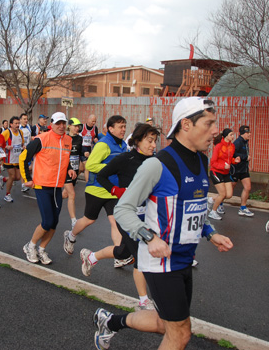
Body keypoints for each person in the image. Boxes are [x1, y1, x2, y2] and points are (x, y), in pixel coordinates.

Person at [93, 97, 233, 350]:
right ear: (187, 124)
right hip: (160, 262)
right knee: (180, 334)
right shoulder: (157, 165)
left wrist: (210, 233)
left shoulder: (201, 160)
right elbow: (123, 209)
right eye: (209, 123)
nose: (216, 130)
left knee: (165, 324)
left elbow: (193, 207)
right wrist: (149, 237)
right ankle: (110, 322)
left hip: (183, 258)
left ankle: (110, 322)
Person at [81, 123, 160, 310]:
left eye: (155, 141)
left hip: (146, 216)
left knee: (124, 252)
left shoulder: (156, 161)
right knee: (141, 256)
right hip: (126, 215)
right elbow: (101, 176)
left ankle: (91, 257)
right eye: (149, 141)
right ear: (138, 141)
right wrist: (116, 190)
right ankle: (143, 301)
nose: (153, 145)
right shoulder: (126, 158)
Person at [63, 115, 128, 265]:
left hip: (113, 190)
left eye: (124, 126)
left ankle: (119, 256)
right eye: (120, 127)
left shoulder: (123, 145)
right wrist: (112, 168)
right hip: (97, 189)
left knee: (115, 222)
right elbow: (90, 165)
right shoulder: (103, 144)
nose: (123, 129)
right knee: (89, 219)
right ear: (110, 129)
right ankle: (71, 236)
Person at [20, 112, 76, 265]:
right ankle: (30, 246)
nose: (61, 126)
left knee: (54, 222)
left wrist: (69, 168)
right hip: (42, 185)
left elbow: (64, 158)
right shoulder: (41, 139)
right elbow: (23, 157)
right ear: (51, 124)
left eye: (63, 123)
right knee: (47, 221)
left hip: (57, 187)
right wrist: (27, 179)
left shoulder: (68, 140)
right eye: (58, 123)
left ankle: (42, 249)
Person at [207, 128, 240, 220]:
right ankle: (213, 212)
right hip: (216, 172)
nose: (233, 136)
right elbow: (213, 162)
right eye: (231, 135)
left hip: (226, 173)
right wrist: (223, 166)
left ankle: (211, 199)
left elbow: (229, 160)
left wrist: (235, 161)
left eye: (233, 134)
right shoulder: (219, 146)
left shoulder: (232, 146)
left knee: (228, 195)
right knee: (222, 194)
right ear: (226, 136)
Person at [63, 117, 83, 229]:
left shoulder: (80, 138)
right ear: (69, 126)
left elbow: (81, 152)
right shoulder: (64, 138)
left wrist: (84, 158)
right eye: (75, 126)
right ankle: (74, 221)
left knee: (65, 194)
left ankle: (52, 201)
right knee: (72, 194)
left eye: (78, 126)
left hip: (75, 170)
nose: (77, 128)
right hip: (65, 170)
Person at [231, 125, 254, 216]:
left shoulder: (246, 142)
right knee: (229, 190)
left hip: (244, 170)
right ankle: (218, 203)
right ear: (243, 133)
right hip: (236, 169)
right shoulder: (237, 142)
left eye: (249, 132)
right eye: (248, 133)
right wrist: (245, 157)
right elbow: (233, 154)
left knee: (248, 187)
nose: (249, 134)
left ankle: (243, 208)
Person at [1, 116, 24, 203]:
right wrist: (6, 147)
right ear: (11, 124)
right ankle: (7, 194)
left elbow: (21, 144)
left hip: (17, 158)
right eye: (16, 123)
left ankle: (3, 179)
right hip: (8, 159)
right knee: (12, 176)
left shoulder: (21, 132)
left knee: (17, 177)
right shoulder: (7, 133)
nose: (18, 125)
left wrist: (23, 146)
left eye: (18, 123)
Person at [80, 114, 99, 181]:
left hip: (89, 149)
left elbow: (96, 137)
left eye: (95, 121)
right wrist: (83, 150)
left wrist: (96, 140)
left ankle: (74, 178)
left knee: (81, 168)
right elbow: (78, 138)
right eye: (92, 121)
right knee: (87, 167)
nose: (93, 123)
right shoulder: (82, 127)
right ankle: (88, 184)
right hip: (82, 149)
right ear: (88, 119)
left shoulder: (95, 128)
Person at [19, 113, 32, 193]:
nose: (26, 120)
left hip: (29, 150)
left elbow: (30, 138)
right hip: (21, 151)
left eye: (26, 119)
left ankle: (25, 181)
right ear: (20, 120)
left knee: (30, 167)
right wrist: (22, 147)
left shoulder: (29, 127)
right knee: (23, 168)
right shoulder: (19, 128)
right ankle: (23, 184)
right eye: (24, 119)